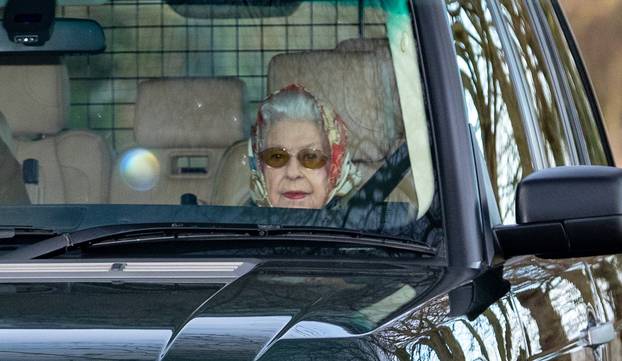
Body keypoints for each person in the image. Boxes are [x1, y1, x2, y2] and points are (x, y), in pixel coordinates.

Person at [248, 84, 359, 208]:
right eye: (277, 157)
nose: (292, 173)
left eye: (311, 157)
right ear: (259, 167)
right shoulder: (236, 223)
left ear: (336, 168)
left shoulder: (364, 222)